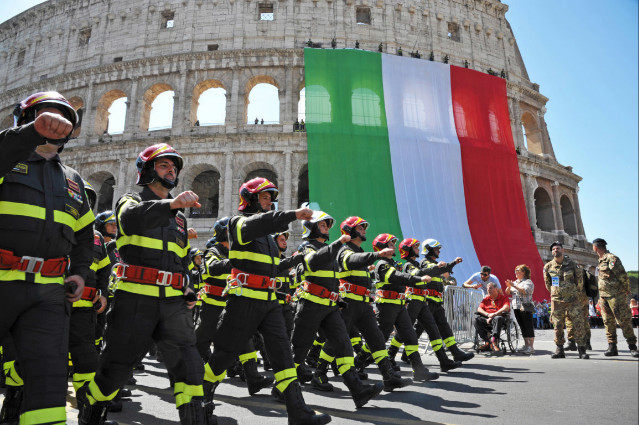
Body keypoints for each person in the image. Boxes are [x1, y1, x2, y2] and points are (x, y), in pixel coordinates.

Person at [76, 143, 207, 424]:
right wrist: (171, 204)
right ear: (146, 171)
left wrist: (187, 290)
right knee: (116, 369)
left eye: (174, 168)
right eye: (163, 165)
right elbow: (131, 220)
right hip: (135, 300)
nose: (171, 171)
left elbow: (181, 261)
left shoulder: (181, 220)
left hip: (173, 305)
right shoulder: (130, 201)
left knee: (191, 370)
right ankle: (92, 405)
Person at [202, 177, 330, 425]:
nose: (269, 202)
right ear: (248, 200)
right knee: (223, 355)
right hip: (244, 300)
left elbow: (273, 267)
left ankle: (298, 412)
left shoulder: (270, 239)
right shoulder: (238, 224)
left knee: (283, 356)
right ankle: (201, 399)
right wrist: (292, 214)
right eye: (264, 197)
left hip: (269, 302)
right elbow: (261, 222)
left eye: (271, 198)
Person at [0, 91, 93, 425]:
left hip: (48, 293)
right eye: (45, 117)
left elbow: (84, 236)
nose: (55, 125)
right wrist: (30, 134)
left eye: (61, 120)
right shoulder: (7, 158)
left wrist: (80, 273)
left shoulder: (73, 180)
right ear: (25, 120)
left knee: (49, 385)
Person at [290, 211, 384, 407]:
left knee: (343, 345)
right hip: (311, 305)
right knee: (299, 350)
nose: (326, 228)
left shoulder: (328, 249)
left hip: (330, 307)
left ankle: (358, 391)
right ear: (312, 227)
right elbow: (313, 263)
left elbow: (333, 280)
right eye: (322, 225)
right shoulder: (306, 248)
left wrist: (338, 300)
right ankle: (280, 387)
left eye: (326, 225)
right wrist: (338, 244)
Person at [323, 216, 411, 392]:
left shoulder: (360, 252)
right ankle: (319, 372)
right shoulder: (345, 250)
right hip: (348, 303)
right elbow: (351, 261)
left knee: (377, 338)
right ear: (349, 230)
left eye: (364, 228)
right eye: (360, 228)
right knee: (336, 340)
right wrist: (376, 255)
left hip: (363, 304)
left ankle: (389, 376)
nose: (363, 231)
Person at [196, 217, 273, 397]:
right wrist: (235, 262)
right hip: (212, 306)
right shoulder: (213, 251)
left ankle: (253, 379)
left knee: (245, 341)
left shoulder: (238, 250)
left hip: (232, 304)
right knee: (200, 342)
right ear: (224, 233)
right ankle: (183, 375)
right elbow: (211, 268)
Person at [387, 238, 462, 372]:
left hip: (422, 301)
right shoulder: (409, 265)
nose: (418, 250)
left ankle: (444, 362)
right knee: (404, 331)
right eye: (415, 248)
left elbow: (430, 272)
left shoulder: (416, 263)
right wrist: (435, 268)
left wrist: (448, 265)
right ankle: (390, 355)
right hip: (413, 302)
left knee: (433, 331)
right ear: (409, 251)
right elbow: (419, 274)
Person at [371, 234, 440, 381]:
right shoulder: (382, 264)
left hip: (400, 305)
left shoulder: (394, 263)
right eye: (390, 244)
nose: (394, 246)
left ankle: (419, 371)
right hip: (387, 306)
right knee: (379, 338)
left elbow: (403, 275)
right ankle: (360, 363)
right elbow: (397, 277)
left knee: (410, 336)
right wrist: (419, 279)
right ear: (383, 247)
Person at [418, 239, 475, 362]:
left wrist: (453, 263)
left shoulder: (435, 264)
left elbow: (442, 270)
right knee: (418, 329)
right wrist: (444, 265)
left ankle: (456, 352)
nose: (439, 251)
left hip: (436, 303)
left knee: (444, 327)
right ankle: (401, 353)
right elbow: (433, 269)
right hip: (428, 302)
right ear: (428, 250)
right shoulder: (425, 262)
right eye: (436, 248)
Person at [592, 238, 638, 358]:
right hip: (604, 296)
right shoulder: (600, 260)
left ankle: (632, 346)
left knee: (623, 320)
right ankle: (612, 346)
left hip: (616, 295)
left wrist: (626, 289)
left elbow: (622, 275)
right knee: (608, 321)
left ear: (595, 247)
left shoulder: (611, 258)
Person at [544, 241, 589, 359]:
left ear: (562, 250)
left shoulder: (572, 264)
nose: (555, 250)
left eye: (557, 248)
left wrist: (573, 293)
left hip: (572, 300)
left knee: (578, 324)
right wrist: (556, 294)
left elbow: (579, 282)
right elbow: (548, 285)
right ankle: (559, 349)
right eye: (553, 249)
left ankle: (582, 349)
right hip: (557, 300)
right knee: (558, 325)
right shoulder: (548, 267)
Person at [505, 264, 535, 354]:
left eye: (518, 271)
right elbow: (507, 292)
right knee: (522, 326)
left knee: (528, 326)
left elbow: (525, 291)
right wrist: (508, 285)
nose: (516, 272)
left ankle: (531, 347)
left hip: (525, 306)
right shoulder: (515, 282)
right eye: (515, 271)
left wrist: (513, 285)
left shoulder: (528, 282)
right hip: (516, 306)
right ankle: (526, 345)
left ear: (524, 272)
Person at [474, 283, 511, 353]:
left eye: (490, 288)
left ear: (496, 289)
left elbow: (506, 307)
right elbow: (479, 309)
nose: (488, 290)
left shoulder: (503, 298)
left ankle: (494, 341)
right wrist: (488, 314)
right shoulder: (486, 299)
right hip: (487, 317)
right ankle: (487, 342)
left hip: (499, 317)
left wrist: (494, 314)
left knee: (497, 318)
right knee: (476, 321)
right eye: (487, 288)